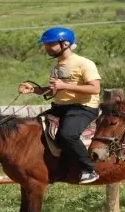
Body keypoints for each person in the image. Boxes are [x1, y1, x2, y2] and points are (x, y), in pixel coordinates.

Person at [18, 27, 101, 184]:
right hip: (60, 107)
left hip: (82, 108)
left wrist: (65, 86)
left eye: (50, 44)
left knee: (67, 135)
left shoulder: (84, 63)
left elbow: (95, 88)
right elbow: (54, 90)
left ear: (65, 44)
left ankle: (88, 169)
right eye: (45, 44)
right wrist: (34, 89)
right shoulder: (57, 65)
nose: (46, 47)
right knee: (34, 130)